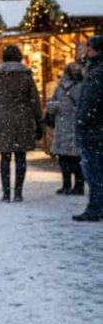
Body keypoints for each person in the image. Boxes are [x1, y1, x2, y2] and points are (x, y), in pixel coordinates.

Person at [0, 45, 42, 203]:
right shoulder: (26, 75)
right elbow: (34, 101)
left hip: (3, 118)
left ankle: (6, 193)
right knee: (21, 156)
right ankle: (18, 192)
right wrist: (38, 122)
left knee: (5, 157)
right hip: (23, 117)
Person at [74, 36, 103, 222]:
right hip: (97, 128)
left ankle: (95, 207)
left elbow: (89, 102)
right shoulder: (94, 70)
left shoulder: (95, 72)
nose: (84, 51)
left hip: (94, 130)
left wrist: (82, 122)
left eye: (87, 47)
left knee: (94, 171)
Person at [46, 62, 84, 196]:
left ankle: (66, 184)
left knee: (63, 157)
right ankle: (79, 185)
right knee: (77, 157)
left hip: (62, 123)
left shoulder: (60, 87)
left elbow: (53, 104)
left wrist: (54, 108)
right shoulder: (83, 86)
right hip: (77, 124)